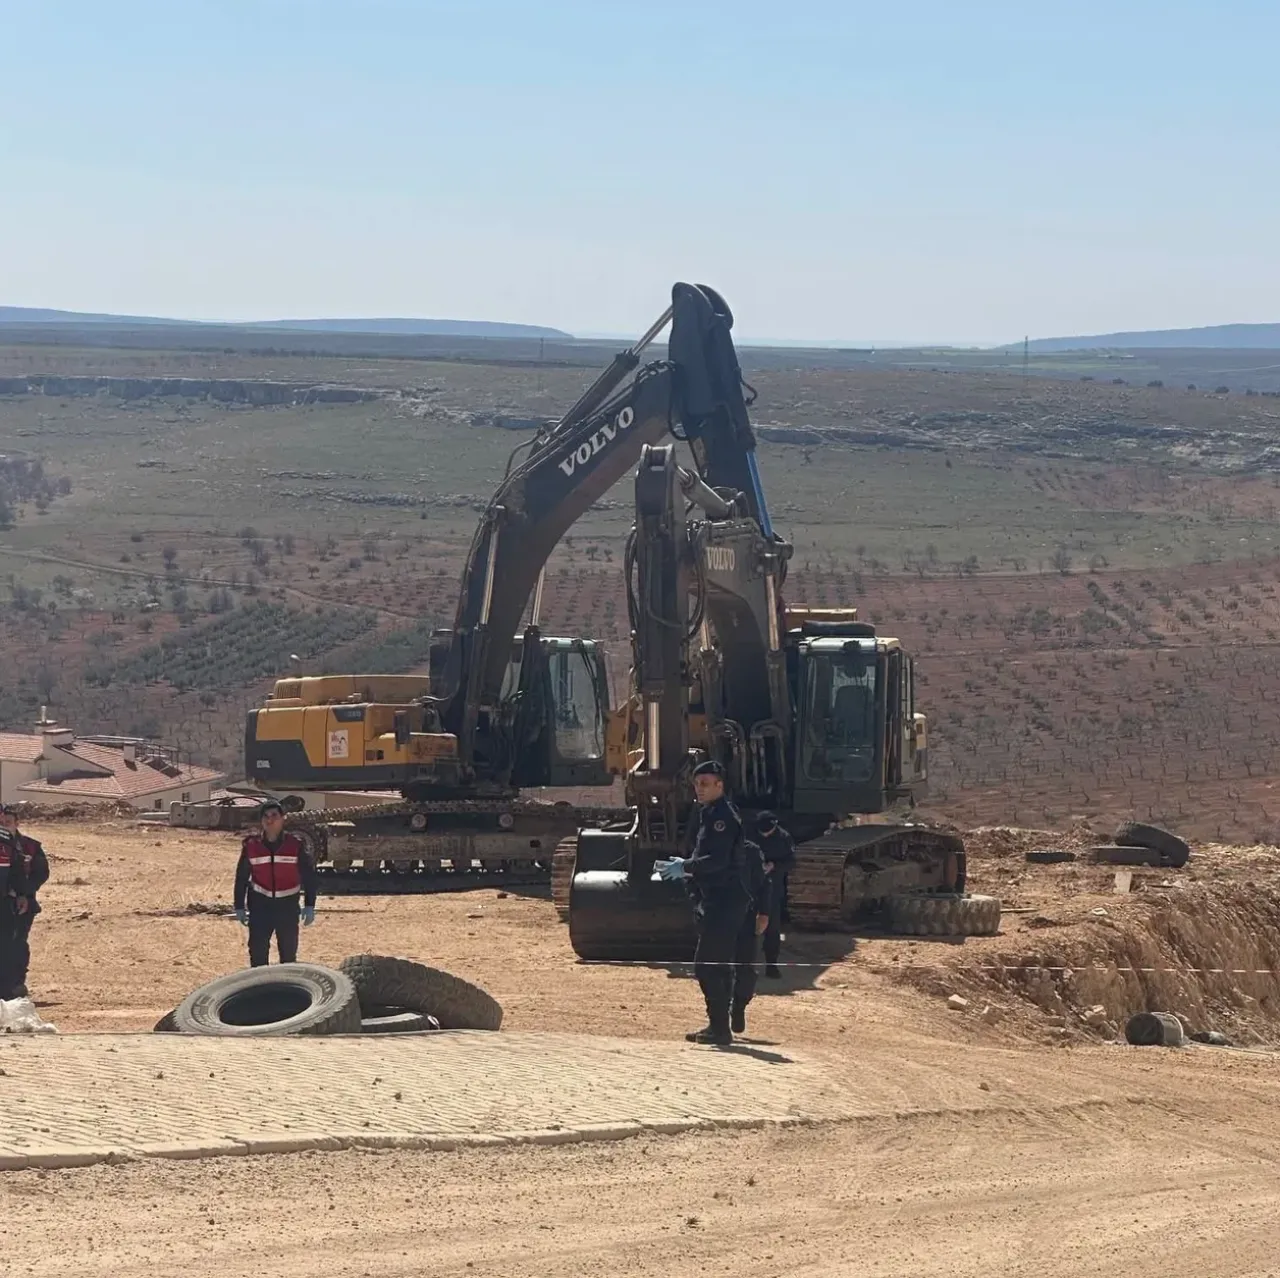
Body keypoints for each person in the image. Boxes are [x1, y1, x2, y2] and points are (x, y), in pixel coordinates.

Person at [657, 759, 758, 1046]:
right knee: (718, 963)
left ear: (719, 785)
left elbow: (717, 860)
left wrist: (686, 867)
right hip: (719, 897)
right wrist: (686, 865)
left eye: (704, 784)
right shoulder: (710, 813)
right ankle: (719, 1025)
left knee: (707, 965)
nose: (698, 789)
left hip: (725, 899)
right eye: (696, 784)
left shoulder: (721, 817)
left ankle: (719, 1028)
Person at [233, 801, 317, 966]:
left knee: (288, 956)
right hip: (260, 906)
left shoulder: (295, 845)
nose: (270, 820)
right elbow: (242, 877)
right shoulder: (251, 846)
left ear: (282, 819)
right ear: (261, 821)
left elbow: (309, 876)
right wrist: (239, 906)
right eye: (265, 816)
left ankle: (285, 990)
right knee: (258, 954)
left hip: (287, 907)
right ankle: (260, 990)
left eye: (274, 816)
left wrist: (309, 904)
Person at [0, 805, 49, 997]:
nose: (3, 823)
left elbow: (25, 872)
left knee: (13, 944)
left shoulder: (19, 845)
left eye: (6, 820)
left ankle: (11, 985)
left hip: (10, 905)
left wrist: (23, 894)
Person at [755, 811, 797, 979]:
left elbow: (791, 861)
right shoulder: (750, 834)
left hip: (773, 886)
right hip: (751, 885)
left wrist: (774, 866)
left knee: (772, 928)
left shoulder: (783, 837)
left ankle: (771, 964)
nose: (764, 834)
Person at [0, 826, 30, 1000]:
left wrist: (21, 894)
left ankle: (5, 990)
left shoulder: (5, 840)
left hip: (2, 903)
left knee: (5, 945)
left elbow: (16, 870)